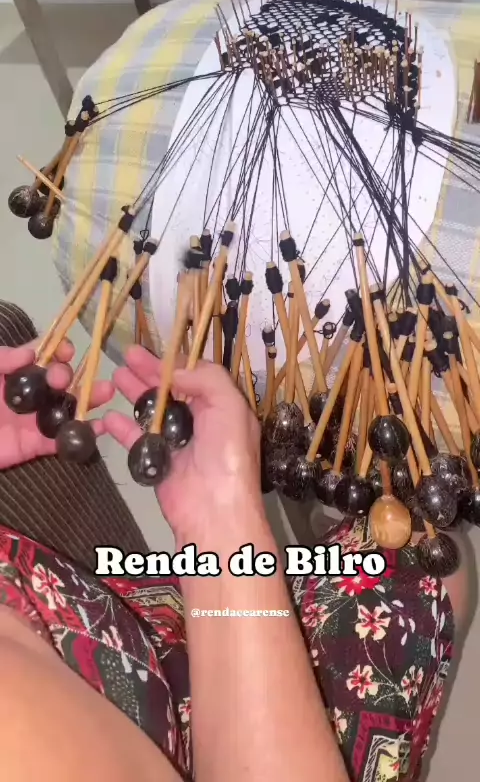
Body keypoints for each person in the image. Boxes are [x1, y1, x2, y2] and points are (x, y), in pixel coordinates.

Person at [0, 301, 470, 782]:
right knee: (425, 555)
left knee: (413, 536)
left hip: (156, 635)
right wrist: (220, 520)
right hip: (228, 746)